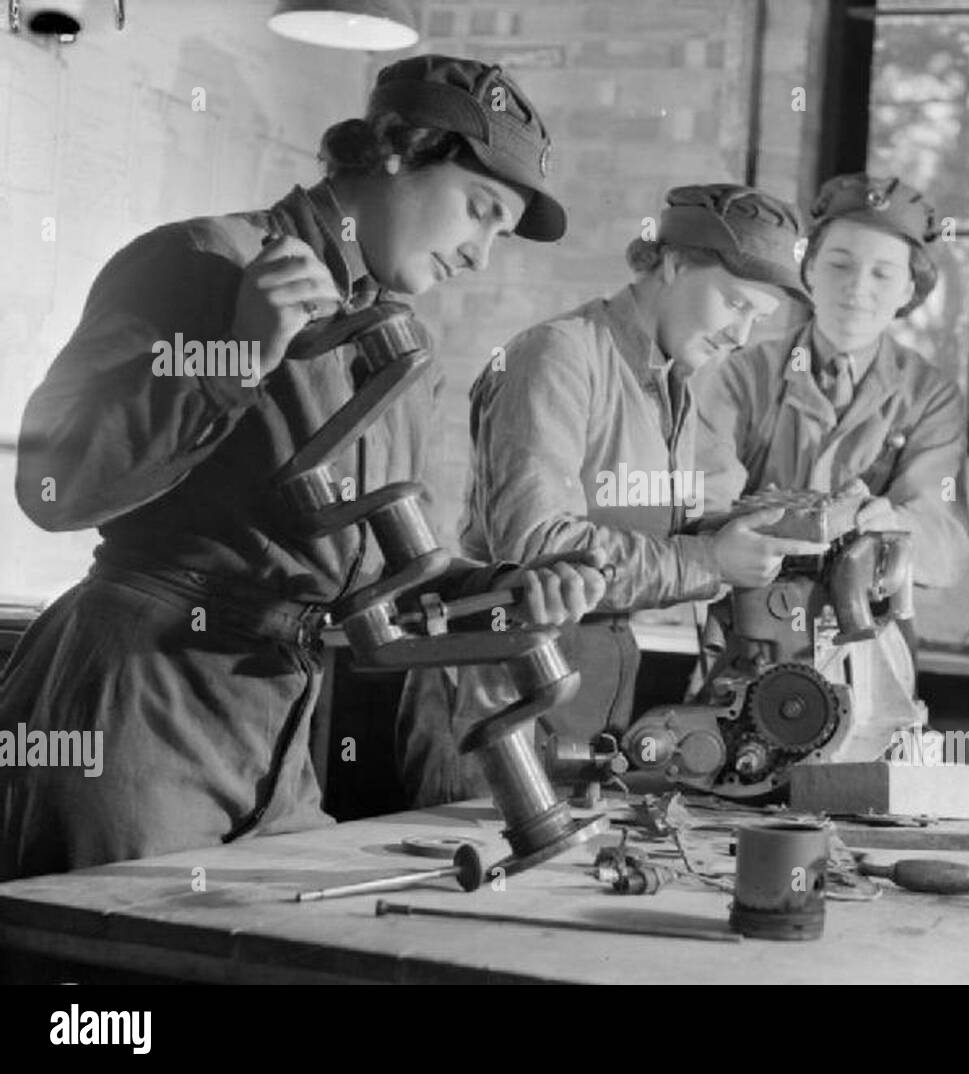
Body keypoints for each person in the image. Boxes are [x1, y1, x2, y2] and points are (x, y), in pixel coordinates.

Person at [0, 55, 607, 881]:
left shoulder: (396, 343)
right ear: (396, 146)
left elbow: (382, 577)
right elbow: (55, 488)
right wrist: (233, 356)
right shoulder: (203, 260)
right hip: (140, 714)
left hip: (278, 733)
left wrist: (505, 586)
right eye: (480, 210)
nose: (482, 255)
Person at [397, 184, 829, 805]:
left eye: (758, 318)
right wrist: (711, 562)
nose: (741, 334)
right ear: (674, 265)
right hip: (498, 707)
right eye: (735, 304)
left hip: (586, 705)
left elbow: (650, 528)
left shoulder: (672, 383)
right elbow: (538, 544)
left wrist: (754, 527)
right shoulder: (559, 356)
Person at [693, 173, 969, 758]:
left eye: (882, 273)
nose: (857, 289)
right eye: (840, 264)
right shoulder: (743, 374)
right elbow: (704, 507)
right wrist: (816, 521)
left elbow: (944, 542)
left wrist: (887, 522)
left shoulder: (930, 396)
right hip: (751, 641)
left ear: (909, 290)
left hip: (869, 649)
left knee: (858, 795)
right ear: (810, 270)